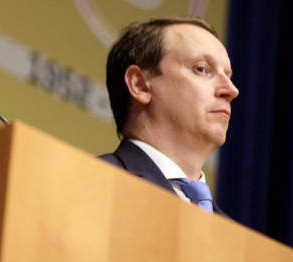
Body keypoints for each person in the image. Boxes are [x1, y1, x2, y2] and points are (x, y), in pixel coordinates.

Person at [98, 15, 239, 216]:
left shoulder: (234, 237)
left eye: (228, 75)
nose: (231, 90)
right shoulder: (94, 183)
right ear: (140, 85)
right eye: (202, 69)